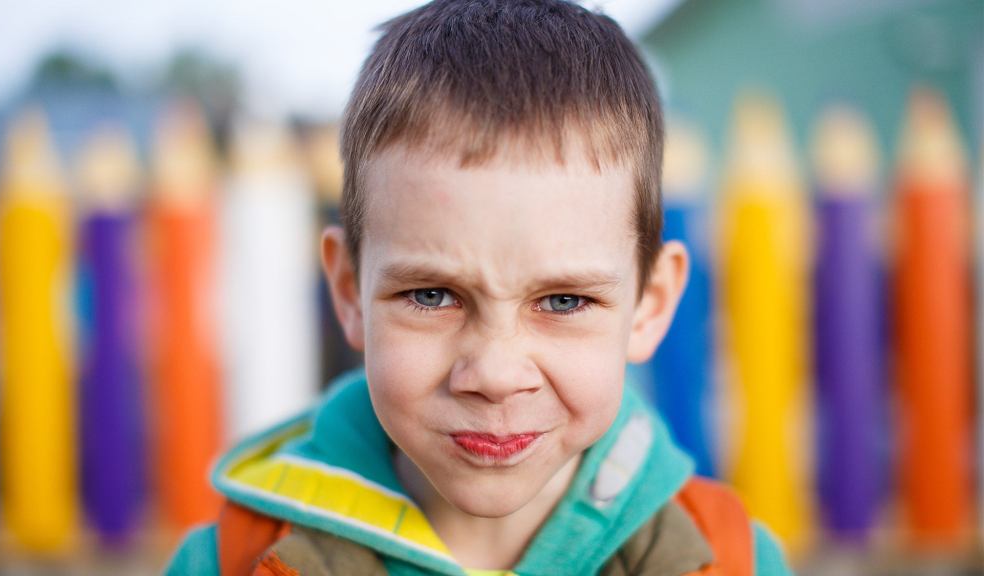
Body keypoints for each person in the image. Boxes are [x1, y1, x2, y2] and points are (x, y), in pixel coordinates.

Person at [167, 1, 793, 574]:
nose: (494, 374)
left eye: (563, 301)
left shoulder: (732, 560)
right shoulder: (229, 563)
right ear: (350, 291)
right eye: (432, 296)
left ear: (650, 305)